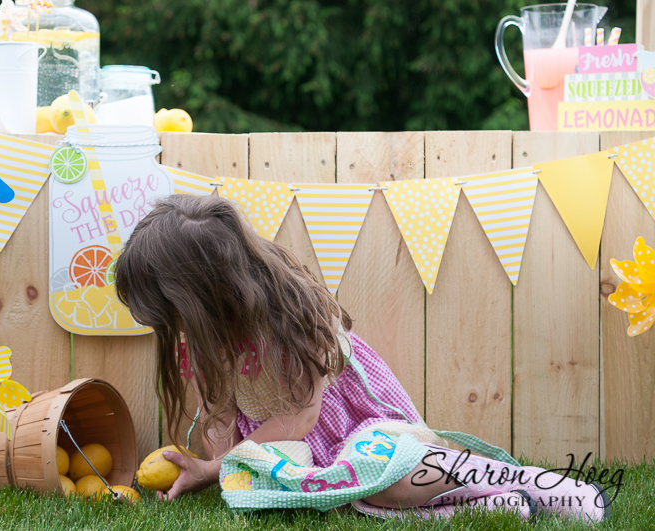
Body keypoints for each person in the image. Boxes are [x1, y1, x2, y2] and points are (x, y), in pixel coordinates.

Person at [114, 194, 609, 522]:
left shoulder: (289, 312)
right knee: (363, 497)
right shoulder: (207, 335)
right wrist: (216, 462)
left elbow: (298, 415)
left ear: (198, 293)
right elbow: (220, 417)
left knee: (387, 473)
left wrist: (217, 465)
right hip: (300, 451)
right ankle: (492, 506)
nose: (171, 328)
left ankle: (538, 486)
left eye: (170, 313)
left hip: (360, 428)